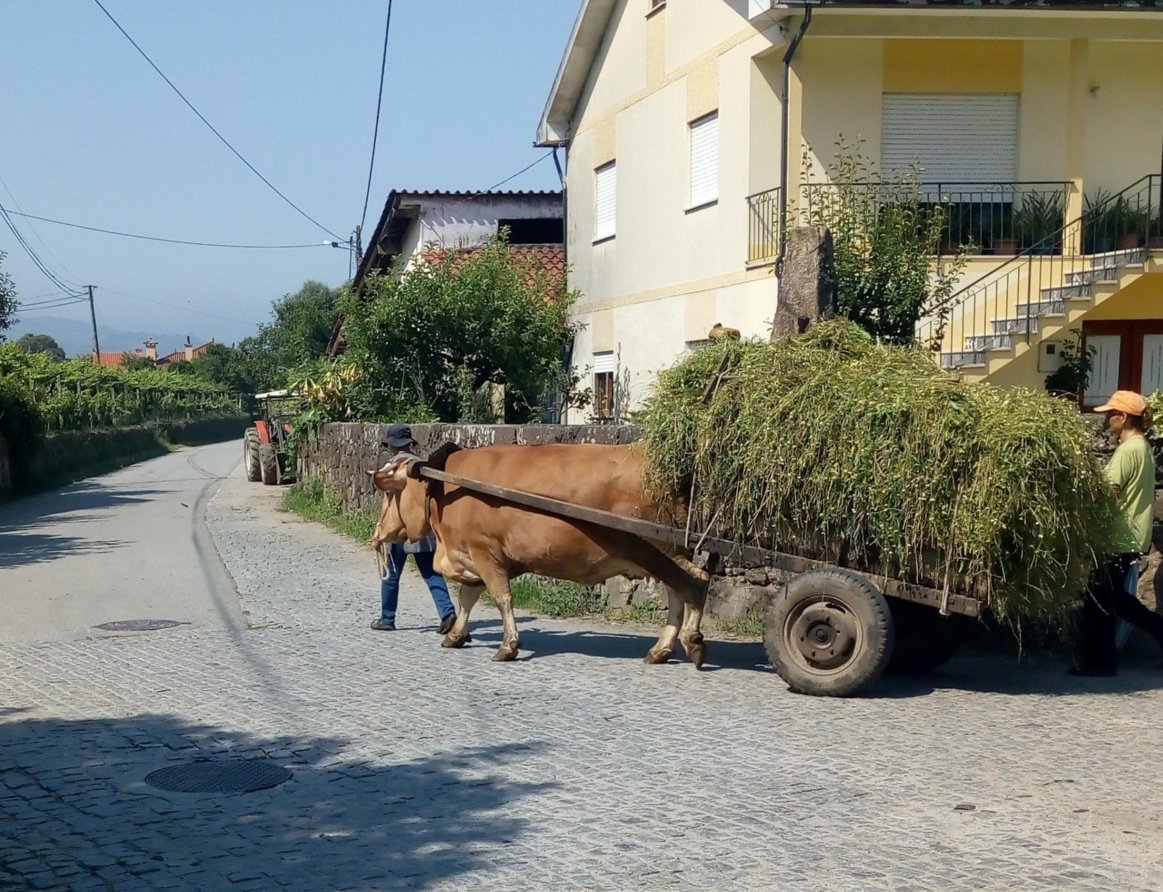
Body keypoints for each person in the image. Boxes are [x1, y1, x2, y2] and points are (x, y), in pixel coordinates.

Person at [1072, 390, 1163, 676]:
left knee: (1099, 602)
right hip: (1130, 536)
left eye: (1112, 413)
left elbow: (1109, 494)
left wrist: (1087, 522)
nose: (1108, 419)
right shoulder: (1143, 448)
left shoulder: (1127, 451)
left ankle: (1100, 662)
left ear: (1124, 418)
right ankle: (1105, 659)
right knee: (1116, 601)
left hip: (1116, 536)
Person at [370, 424, 458, 634]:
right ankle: (447, 613)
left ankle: (387, 618)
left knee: (391, 573)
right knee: (431, 573)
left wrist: (380, 528)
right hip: (422, 529)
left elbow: (387, 501)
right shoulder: (421, 466)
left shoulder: (391, 468)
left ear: (391, 446)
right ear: (410, 444)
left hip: (399, 529)